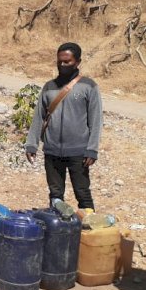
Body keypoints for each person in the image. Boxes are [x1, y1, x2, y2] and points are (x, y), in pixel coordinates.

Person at [25, 43, 102, 215]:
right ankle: (59, 231)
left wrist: (92, 149)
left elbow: (96, 120)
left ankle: (88, 231)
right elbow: (38, 116)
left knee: (83, 194)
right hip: (52, 151)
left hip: (79, 152)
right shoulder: (49, 87)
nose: (62, 65)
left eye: (67, 62)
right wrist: (31, 144)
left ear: (77, 62)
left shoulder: (89, 86)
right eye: (60, 61)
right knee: (55, 195)